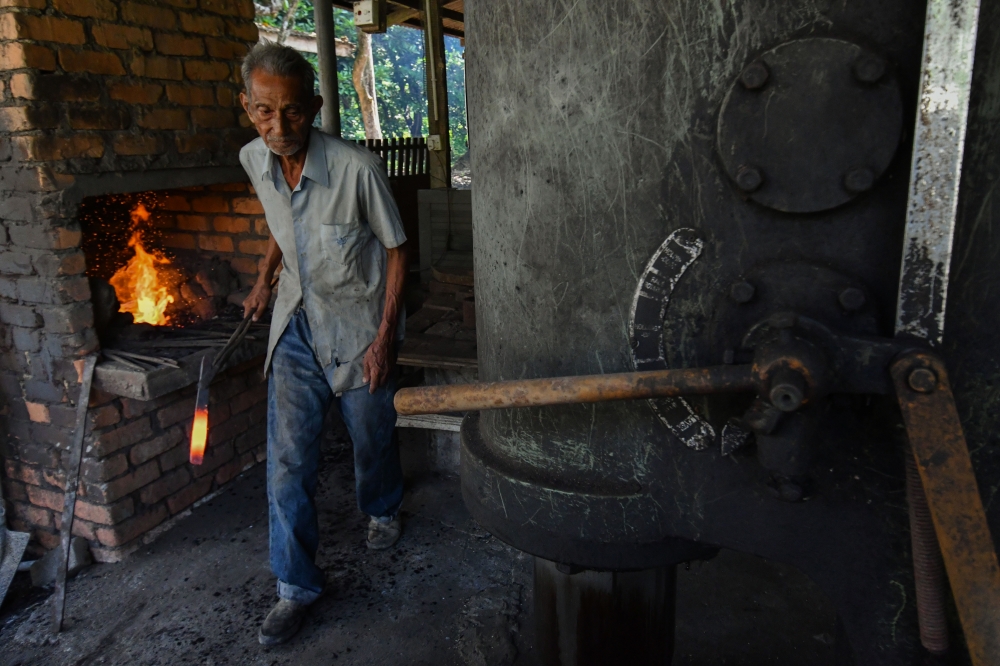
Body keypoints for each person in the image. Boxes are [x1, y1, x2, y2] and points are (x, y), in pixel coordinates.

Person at [237, 42, 408, 646]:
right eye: (262, 112)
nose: (277, 127)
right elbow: (286, 228)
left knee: (371, 437)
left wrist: (386, 337)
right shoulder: (254, 160)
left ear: (313, 106)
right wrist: (263, 281)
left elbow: (395, 250)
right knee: (287, 464)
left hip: (359, 325)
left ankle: (382, 507)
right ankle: (295, 587)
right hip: (295, 327)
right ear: (247, 108)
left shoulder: (357, 168)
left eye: (290, 112)